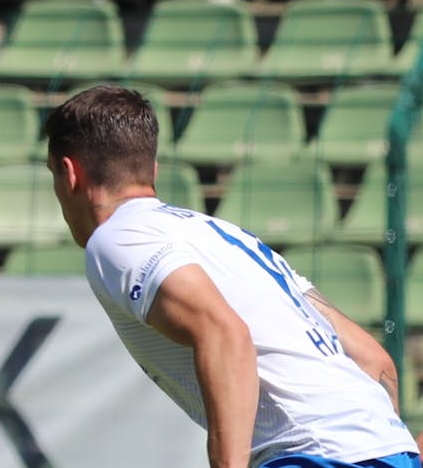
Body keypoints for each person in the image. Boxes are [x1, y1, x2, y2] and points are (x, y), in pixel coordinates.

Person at [43, 85, 420, 468]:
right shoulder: (232, 240)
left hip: (308, 454)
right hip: (386, 449)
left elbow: (225, 334)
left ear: (69, 173)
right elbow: (375, 362)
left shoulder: (116, 238)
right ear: (151, 170)